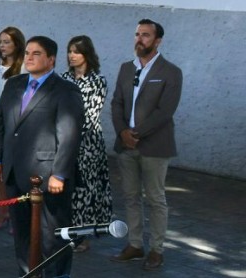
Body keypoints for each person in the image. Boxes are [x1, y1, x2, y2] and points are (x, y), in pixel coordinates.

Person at [0, 36, 83, 278]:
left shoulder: (65, 90)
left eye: (37, 53)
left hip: (47, 176)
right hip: (14, 171)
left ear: (51, 60)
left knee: (52, 235)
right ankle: (27, 273)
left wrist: (59, 173)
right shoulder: (14, 84)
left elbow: (69, 135)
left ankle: (56, 275)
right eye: (27, 53)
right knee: (22, 232)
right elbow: (0, 123)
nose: (29, 58)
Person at [110, 19, 183, 271]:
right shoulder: (126, 68)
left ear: (158, 41)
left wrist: (136, 133)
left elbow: (165, 111)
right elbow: (117, 103)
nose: (139, 39)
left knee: (155, 198)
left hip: (154, 146)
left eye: (146, 35)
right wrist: (122, 132)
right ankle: (135, 244)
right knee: (130, 196)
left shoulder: (170, 72)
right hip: (126, 145)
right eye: (137, 34)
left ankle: (156, 250)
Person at [61, 34, 112, 253]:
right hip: (64, 141)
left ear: (87, 54)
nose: (71, 56)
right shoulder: (63, 78)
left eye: (77, 52)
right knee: (68, 190)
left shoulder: (98, 81)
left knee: (86, 190)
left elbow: (91, 113)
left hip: (88, 143)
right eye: (70, 51)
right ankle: (66, 232)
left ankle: (82, 236)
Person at [0, 25, 24, 231]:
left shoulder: (23, 68)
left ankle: (17, 215)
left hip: (15, 124)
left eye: (7, 42)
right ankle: (3, 211)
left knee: (14, 173)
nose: (2, 45)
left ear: (17, 44)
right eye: (0, 42)